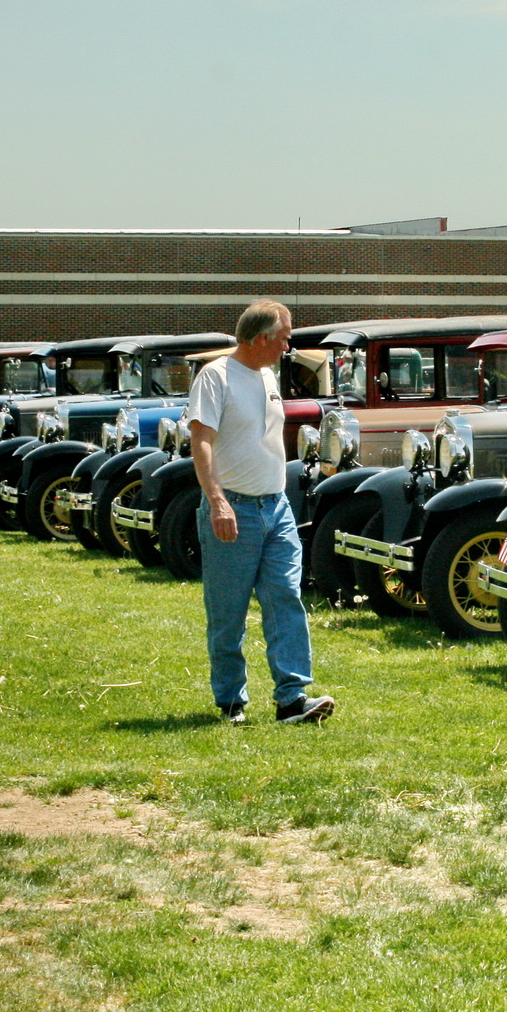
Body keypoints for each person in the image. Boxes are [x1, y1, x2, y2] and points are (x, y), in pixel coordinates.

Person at [190, 300, 335, 725]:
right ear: (261, 338)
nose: (289, 345)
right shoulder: (215, 376)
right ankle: (231, 702)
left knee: (286, 599)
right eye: (285, 337)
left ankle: (292, 699)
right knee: (228, 611)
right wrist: (217, 502)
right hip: (233, 508)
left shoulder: (269, 374)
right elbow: (201, 443)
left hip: (277, 507)